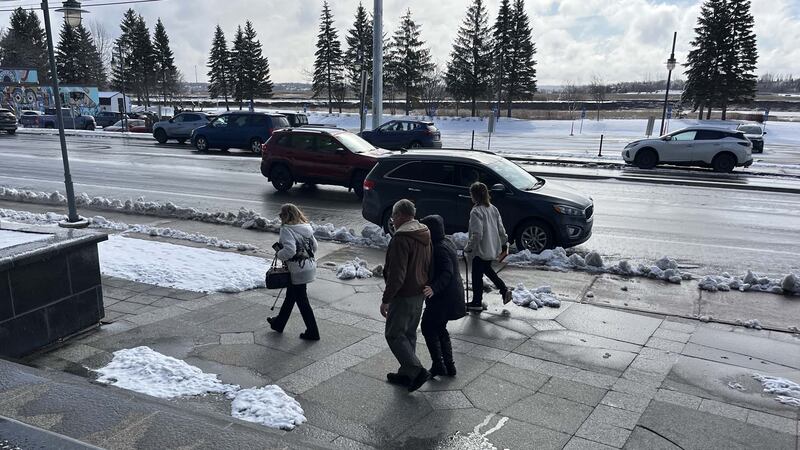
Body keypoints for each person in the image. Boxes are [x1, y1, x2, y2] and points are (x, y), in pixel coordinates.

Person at [381, 199, 432, 392]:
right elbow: (428, 263)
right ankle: (406, 374)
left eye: (394, 216)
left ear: (401, 215)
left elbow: (397, 274)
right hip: (419, 292)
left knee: (393, 334)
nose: (392, 220)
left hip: (403, 294)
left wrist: (386, 299)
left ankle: (416, 370)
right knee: (408, 333)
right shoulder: (424, 232)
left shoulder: (401, 238)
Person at [420, 215, 466, 377]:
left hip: (443, 298)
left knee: (427, 326)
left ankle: (439, 364)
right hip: (452, 296)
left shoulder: (439, 248)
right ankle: (449, 365)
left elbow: (447, 271)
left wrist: (434, 288)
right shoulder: (447, 242)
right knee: (440, 328)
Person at [267, 203, 320, 341]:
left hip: (297, 270)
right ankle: (279, 323)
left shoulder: (287, 229)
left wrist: (279, 253)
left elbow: (290, 251)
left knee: (302, 301)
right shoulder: (306, 227)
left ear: (286, 216)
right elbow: (315, 247)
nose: (279, 216)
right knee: (291, 296)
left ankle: (313, 332)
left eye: (281, 214)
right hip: (308, 267)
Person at [464, 182, 511, 311]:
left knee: (476, 276)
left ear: (474, 195)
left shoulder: (476, 211)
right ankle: (504, 290)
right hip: (491, 248)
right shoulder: (492, 208)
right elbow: (501, 229)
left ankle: (476, 302)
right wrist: (503, 243)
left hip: (480, 250)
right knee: (487, 270)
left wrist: (468, 247)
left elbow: (477, 234)